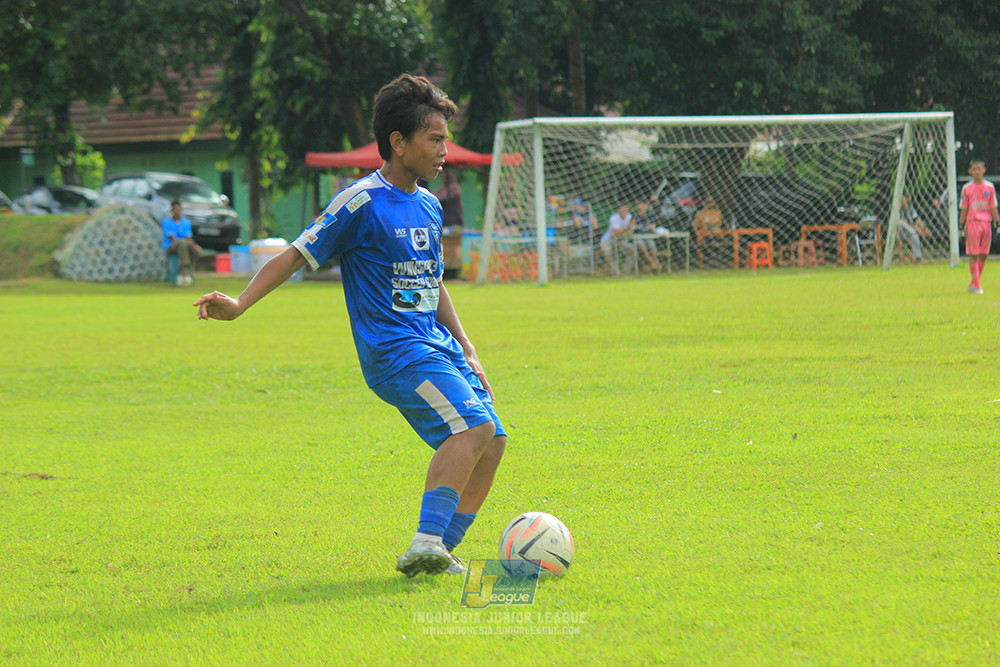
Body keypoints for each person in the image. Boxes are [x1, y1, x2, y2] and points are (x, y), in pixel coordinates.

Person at [193, 74, 506, 578]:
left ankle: (438, 551)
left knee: (492, 440)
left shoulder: (428, 204)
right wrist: (241, 302)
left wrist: (467, 345)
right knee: (472, 426)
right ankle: (426, 542)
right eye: (435, 138)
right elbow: (297, 252)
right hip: (394, 350)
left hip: (436, 344)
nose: (444, 149)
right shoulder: (359, 201)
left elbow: (431, 283)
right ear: (399, 142)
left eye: (445, 138)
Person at [959, 159, 999, 294]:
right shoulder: (967, 188)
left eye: (979, 169)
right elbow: (964, 208)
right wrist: (961, 225)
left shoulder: (990, 187)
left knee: (984, 254)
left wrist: (997, 222)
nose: (977, 172)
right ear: (970, 172)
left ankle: (973, 283)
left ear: (984, 170)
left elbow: (993, 206)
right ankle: (977, 286)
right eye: (974, 169)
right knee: (973, 254)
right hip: (972, 222)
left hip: (986, 223)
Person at [162, 200, 201, 286]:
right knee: (182, 244)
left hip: (184, 246)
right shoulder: (166, 222)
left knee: (197, 250)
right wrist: (185, 242)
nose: (177, 211)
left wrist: (193, 245)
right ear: (172, 210)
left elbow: (189, 237)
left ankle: (188, 270)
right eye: (175, 209)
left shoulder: (185, 222)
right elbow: (172, 238)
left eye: (179, 209)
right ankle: (183, 270)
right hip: (171, 246)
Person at [600, 203, 635, 275]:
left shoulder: (629, 217)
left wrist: (625, 231)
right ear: (619, 210)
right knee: (609, 253)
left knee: (631, 251)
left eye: (627, 209)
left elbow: (630, 232)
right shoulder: (614, 218)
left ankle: (625, 273)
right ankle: (615, 273)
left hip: (620, 241)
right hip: (607, 241)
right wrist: (627, 228)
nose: (625, 211)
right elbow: (616, 232)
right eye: (623, 209)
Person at [897, 191, 930, 262]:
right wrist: (916, 228)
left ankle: (918, 258)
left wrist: (923, 229)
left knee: (915, 235)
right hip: (901, 233)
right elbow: (904, 223)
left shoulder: (911, 209)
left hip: (911, 233)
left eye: (902, 198)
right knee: (901, 223)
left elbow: (917, 220)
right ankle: (915, 230)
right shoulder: (897, 210)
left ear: (906, 199)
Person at [631, 200, 662, 273]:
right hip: (638, 235)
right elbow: (633, 227)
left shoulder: (649, 215)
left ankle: (656, 262)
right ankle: (652, 263)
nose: (642, 207)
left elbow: (653, 226)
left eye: (644, 205)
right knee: (642, 246)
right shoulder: (635, 215)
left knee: (652, 245)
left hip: (648, 235)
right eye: (640, 205)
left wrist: (647, 227)